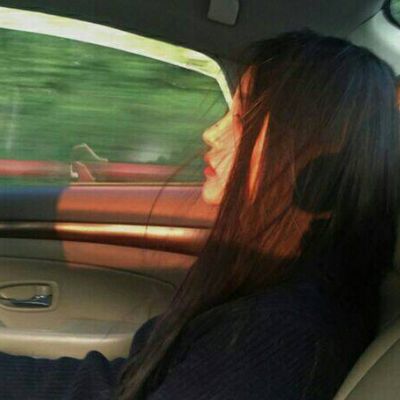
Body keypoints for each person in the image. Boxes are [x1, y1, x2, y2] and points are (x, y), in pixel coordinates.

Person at [0, 30, 399, 400]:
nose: (211, 133)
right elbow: (120, 384)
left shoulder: (275, 335)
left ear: (310, 156)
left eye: (242, 119)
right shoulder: (273, 296)